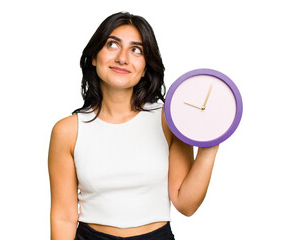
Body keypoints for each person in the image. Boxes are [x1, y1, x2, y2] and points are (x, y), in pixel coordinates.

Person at [48, 12, 219, 240]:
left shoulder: (168, 121)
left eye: (136, 50)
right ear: (94, 57)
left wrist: (210, 145)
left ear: (146, 66)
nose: (122, 58)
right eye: (112, 45)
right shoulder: (67, 131)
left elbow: (185, 204)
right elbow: (63, 216)